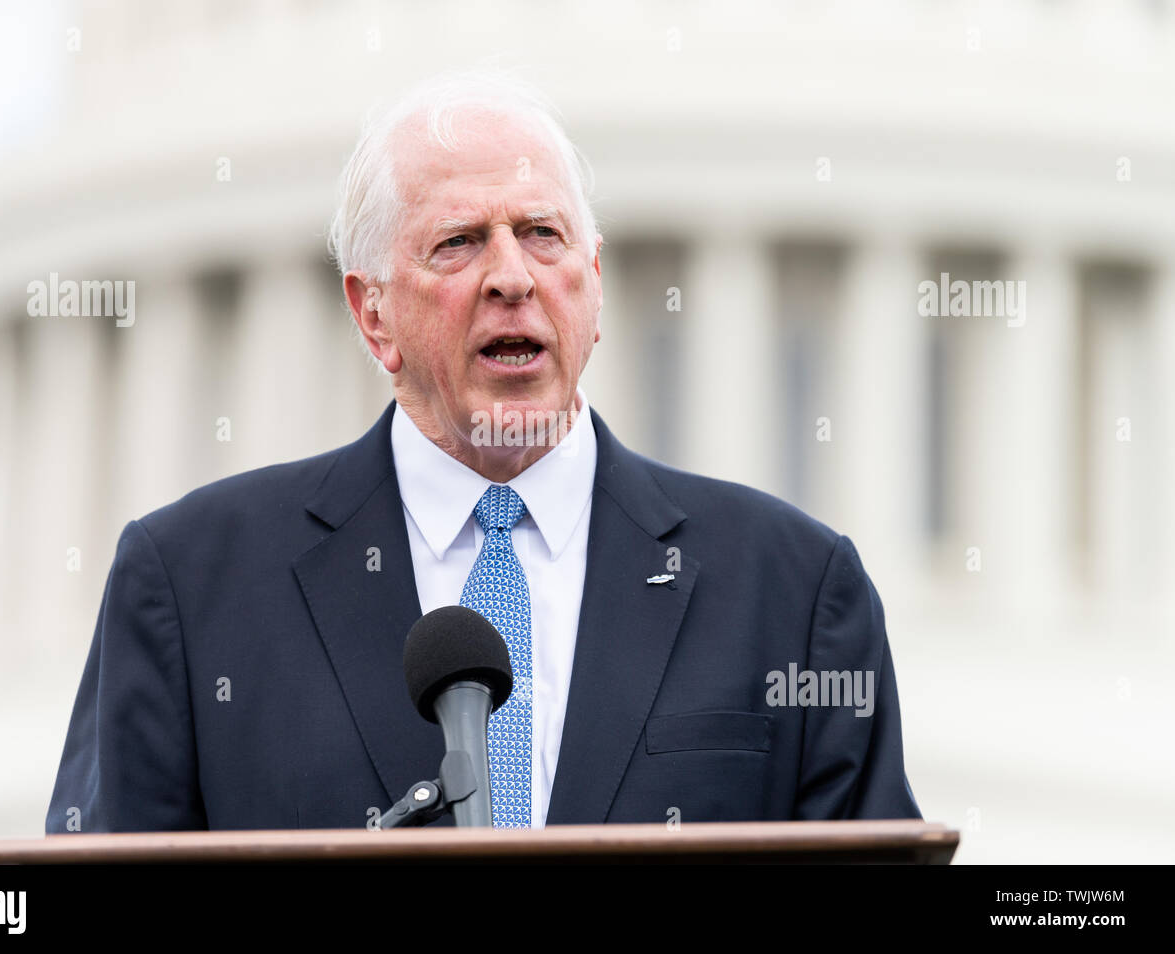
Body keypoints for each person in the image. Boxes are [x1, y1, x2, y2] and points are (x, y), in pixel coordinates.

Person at [46, 70, 921, 833]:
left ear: (595, 284)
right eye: (459, 243)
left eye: (543, 234)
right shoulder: (194, 590)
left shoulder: (794, 593)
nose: (512, 277)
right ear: (373, 313)